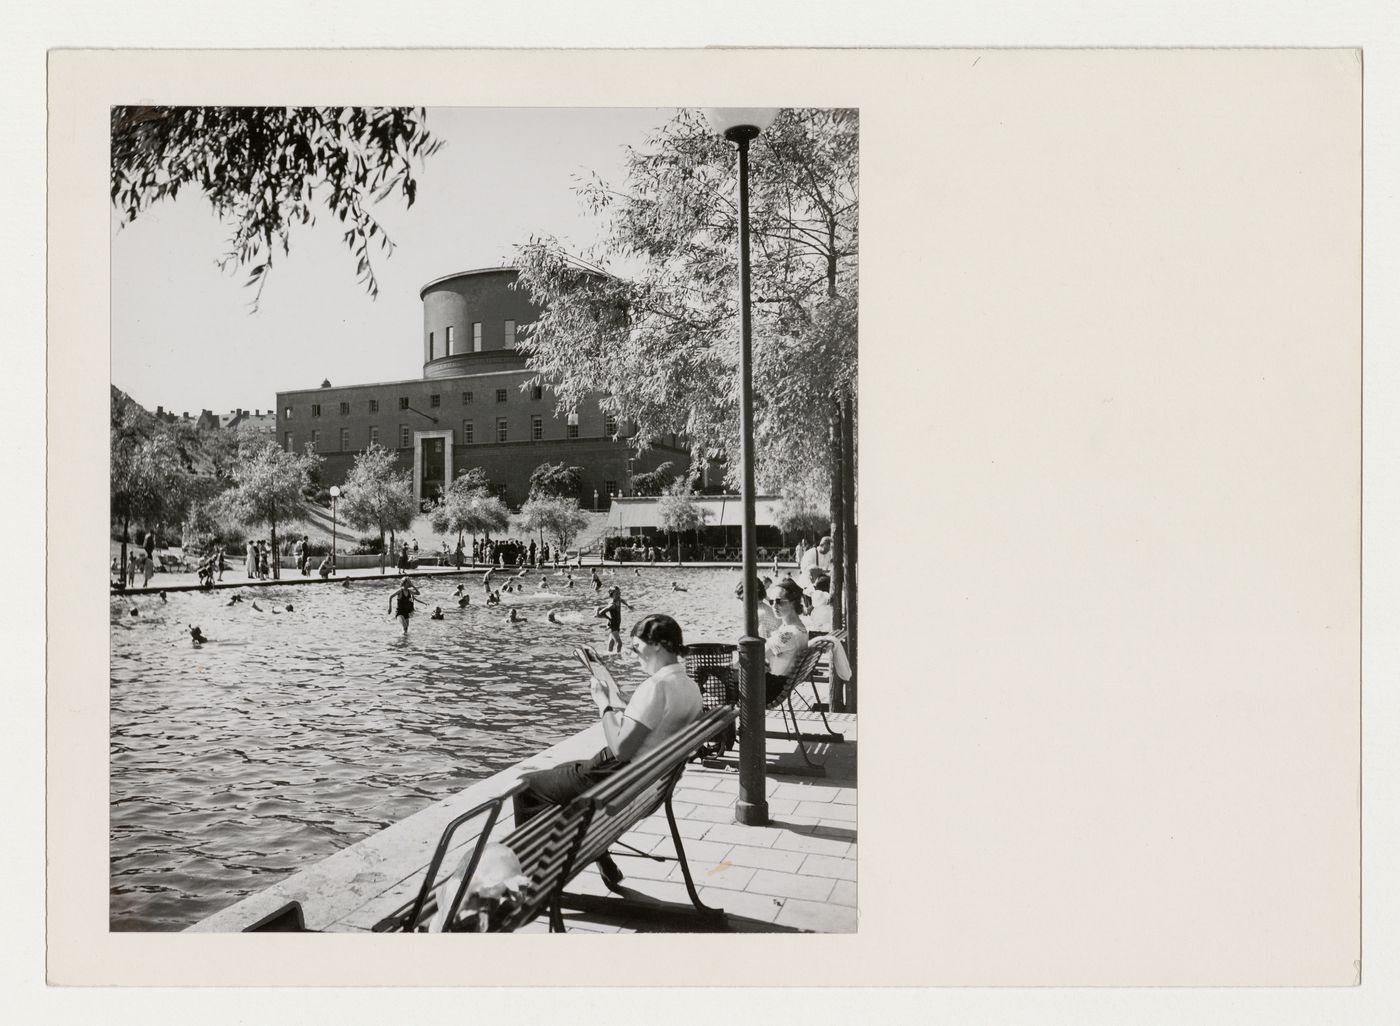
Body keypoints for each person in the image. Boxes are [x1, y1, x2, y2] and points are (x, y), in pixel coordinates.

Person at [512, 613, 702, 891]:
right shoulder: (689, 686)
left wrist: (603, 704)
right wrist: (624, 706)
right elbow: (653, 726)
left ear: (658, 645)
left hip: (617, 775)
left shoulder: (656, 686)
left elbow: (621, 749)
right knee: (555, 774)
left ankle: (530, 878)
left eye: (637, 647)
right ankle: (600, 855)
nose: (634, 654)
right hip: (645, 781)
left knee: (526, 786)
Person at [763, 579, 809, 705]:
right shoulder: (799, 628)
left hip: (770, 689)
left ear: (793, 603)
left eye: (779, 602)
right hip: (780, 685)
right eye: (772, 602)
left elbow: (757, 655)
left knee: (718, 678)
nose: (774, 606)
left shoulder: (789, 633)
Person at [594, 586, 633, 654]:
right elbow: (600, 613)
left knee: (611, 643)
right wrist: (608, 618)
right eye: (616, 594)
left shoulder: (618, 599)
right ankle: (618, 656)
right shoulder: (612, 605)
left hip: (617, 624)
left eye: (619, 593)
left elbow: (622, 600)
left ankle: (609, 654)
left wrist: (628, 605)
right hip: (613, 626)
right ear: (612, 594)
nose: (618, 595)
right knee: (619, 643)